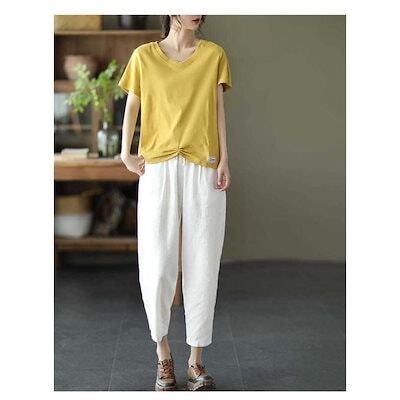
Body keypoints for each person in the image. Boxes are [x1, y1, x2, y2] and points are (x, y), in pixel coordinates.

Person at [118, 15, 232, 391]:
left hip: (204, 164)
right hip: (158, 166)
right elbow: (132, 106)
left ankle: (196, 361)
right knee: (156, 260)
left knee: (203, 259)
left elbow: (217, 110)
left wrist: (225, 159)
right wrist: (125, 152)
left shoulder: (214, 55)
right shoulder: (143, 56)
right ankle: (163, 354)